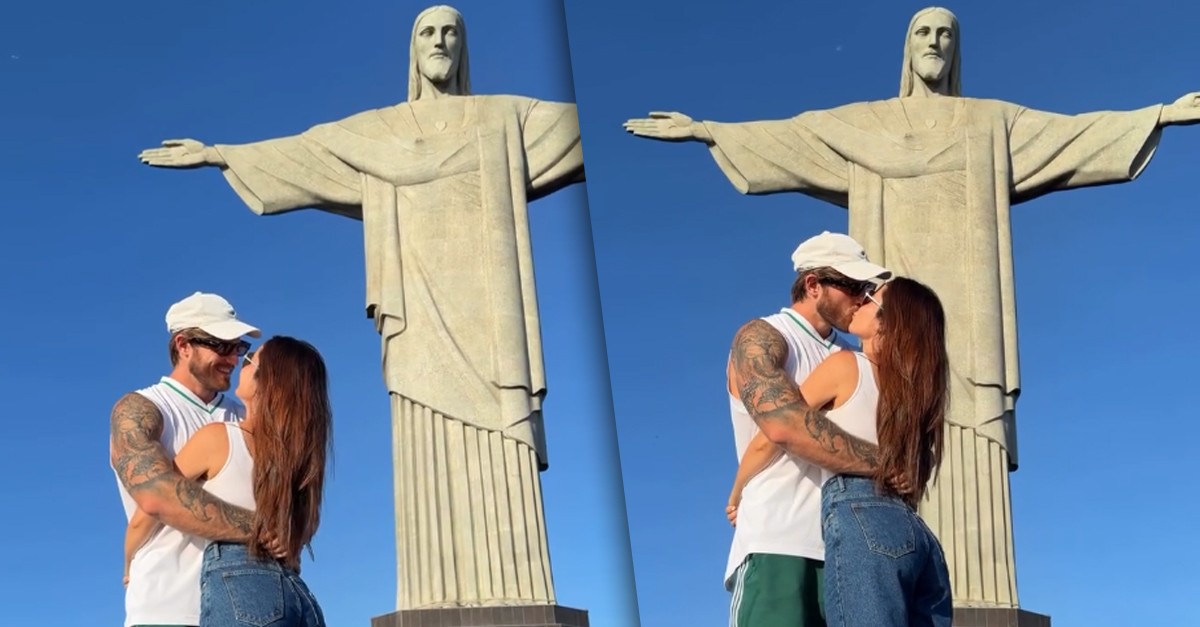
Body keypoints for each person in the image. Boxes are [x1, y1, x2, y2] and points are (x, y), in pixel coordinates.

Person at [626, 6, 1200, 606]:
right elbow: (797, 136)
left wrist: (1158, 114)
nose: (935, 41)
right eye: (923, 31)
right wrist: (709, 130)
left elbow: (1070, 134)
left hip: (961, 333)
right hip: (804, 541)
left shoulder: (989, 123)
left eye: (947, 33)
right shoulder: (867, 128)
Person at [136, 4, 583, 608]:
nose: (440, 41)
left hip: (492, 323)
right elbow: (310, 152)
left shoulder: (505, 118)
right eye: (427, 32)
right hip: (416, 318)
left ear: (464, 46)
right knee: (423, 438)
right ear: (413, 51)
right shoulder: (382, 133)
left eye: (451, 31)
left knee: (501, 437)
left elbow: (584, 126)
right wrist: (221, 154)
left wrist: (701, 129)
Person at [724, 232, 891, 627]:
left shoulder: (854, 356)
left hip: (852, 551)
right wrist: (886, 465)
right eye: (852, 286)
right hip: (779, 544)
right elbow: (783, 425)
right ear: (814, 285)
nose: (862, 297)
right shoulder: (764, 336)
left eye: (867, 289)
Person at [125, 336, 332, 627]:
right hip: (296, 598)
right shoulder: (298, 462)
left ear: (265, 382)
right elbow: (303, 531)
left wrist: (129, 562)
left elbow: (149, 508)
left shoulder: (220, 438)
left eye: (248, 360)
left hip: (238, 594)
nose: (237, 364)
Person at [795, 276, 952, 626]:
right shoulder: (915, 396)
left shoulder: (845, 365)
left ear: (888, 320)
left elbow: (781, 424)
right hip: (918, 535)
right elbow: (919, 470)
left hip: (863, 518)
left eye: (870, 299)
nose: (860, 301)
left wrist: (739, 490)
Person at [111, 292, 261, 627]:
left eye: (238, 347)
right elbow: (156, 496)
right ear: (183, 345)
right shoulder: (141, 408)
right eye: (221, 346)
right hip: (168, 609)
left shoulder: (247, 416)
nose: (232, 359)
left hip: (251, 607)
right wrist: (263, 531)